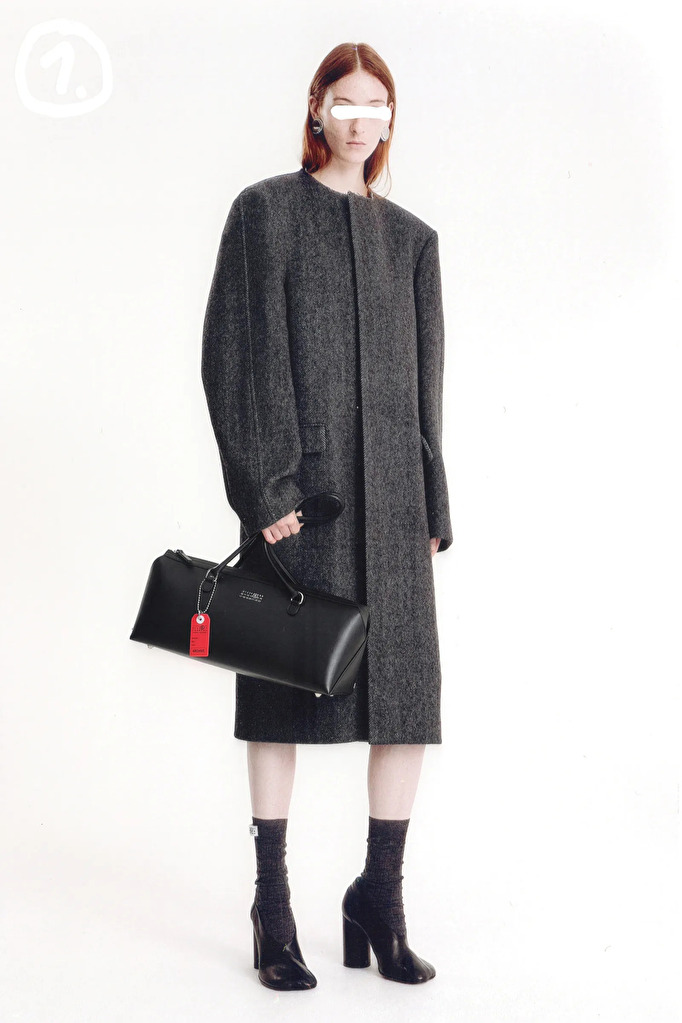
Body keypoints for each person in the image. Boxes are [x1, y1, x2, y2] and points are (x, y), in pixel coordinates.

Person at [201, 41, 453, 991]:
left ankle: (379, 897)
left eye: (376, 104)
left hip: (394, 508)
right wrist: (263, 492)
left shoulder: (413, 240)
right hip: (299, 511)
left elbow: (428, 389)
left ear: (390, 118)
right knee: (282, 690)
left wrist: (432, 502)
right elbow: (231, 358)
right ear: (317, 109)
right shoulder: (264, 213)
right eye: (345, 102)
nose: (360, 119)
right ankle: (272, 904)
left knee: (405, 705)